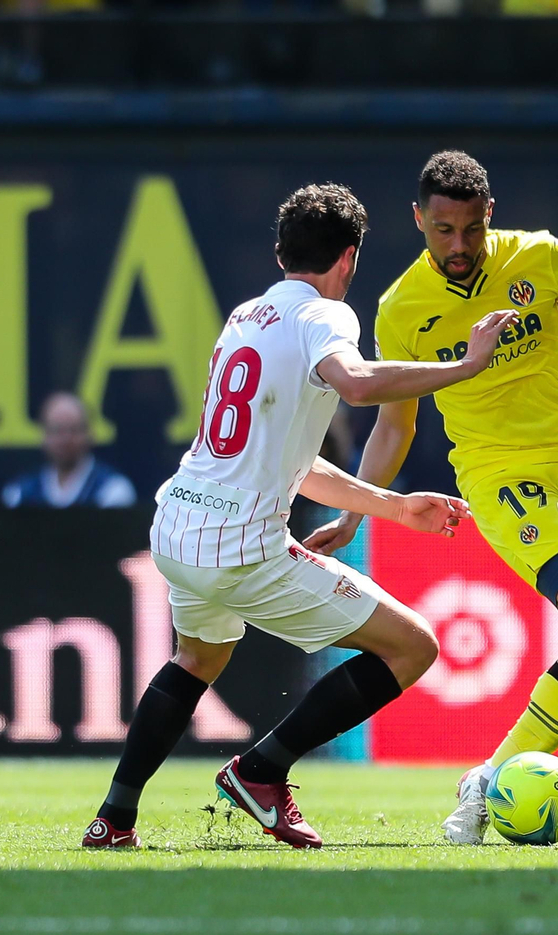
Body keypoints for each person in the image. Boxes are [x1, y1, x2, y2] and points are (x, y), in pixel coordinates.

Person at [83, 182, 520, 850]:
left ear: (282, 253)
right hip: (238, 546)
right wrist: (465, 366)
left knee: (196, 659)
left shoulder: (247, 317)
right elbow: (357, 384)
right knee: (413, 647)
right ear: (348, 259)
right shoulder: (325, 316)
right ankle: (259, 772)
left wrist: (393, 507)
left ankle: (113, 818)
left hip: (177, 525)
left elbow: (292, 462)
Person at [309, 150, 558, 845]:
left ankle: (488, 777)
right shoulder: (402, 307)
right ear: (418, 220)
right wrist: (355, 512)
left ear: (489, 215)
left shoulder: (539, 256)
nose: (458, 245)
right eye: (443, 230)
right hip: (497, 475)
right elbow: (395, 425)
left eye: (471, 229)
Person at [3, 392, 137, 509]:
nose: (65, 440)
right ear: (43, 436)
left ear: (90, 435)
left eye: (74, 430)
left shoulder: (113, 490)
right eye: (57, 430)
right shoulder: (20, 493)